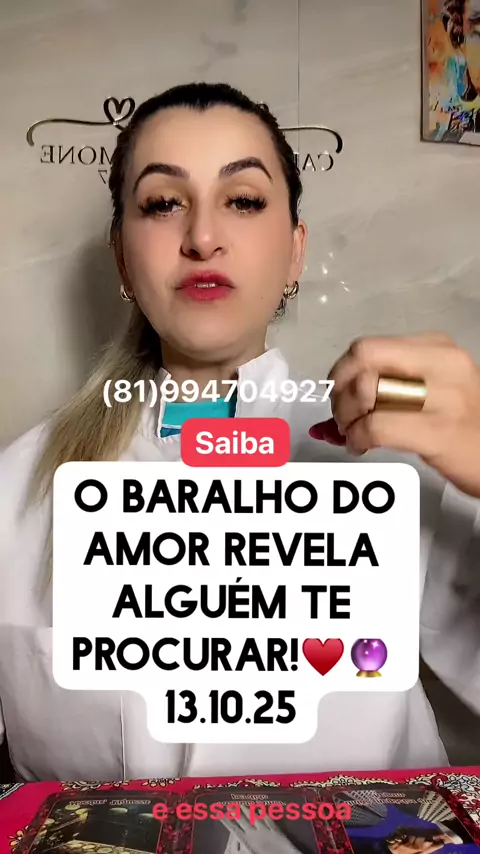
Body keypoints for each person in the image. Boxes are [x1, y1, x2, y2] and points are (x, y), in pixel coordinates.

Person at [1, 81, 480, 783]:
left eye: (245, 200)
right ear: (122, 259)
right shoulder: (18, 486)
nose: (202, 237)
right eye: (163, 203)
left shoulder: (396, 463)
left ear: (294, 253)